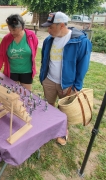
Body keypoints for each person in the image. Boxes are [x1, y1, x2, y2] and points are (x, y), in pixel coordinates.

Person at [39, 11, 92, 146]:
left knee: (65, 110)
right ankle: (50, 126)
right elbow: (44, 60)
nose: (48, 30)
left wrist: (76, 86)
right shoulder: (48, 40)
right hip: (49, 80)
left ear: (61, 25)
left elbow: (83, 65)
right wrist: (43, 77)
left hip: (68, 84)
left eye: (51, 27)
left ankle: (63, 131)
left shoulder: (80, 41)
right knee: (49, 106)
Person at [0, 14, 38, 91]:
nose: (11, 32)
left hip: (27, 72)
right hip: (12, 72)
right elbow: (0, 55)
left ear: (21, 27)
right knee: (13, 95)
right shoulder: (6, 39)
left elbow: (34, 50)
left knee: (26, 95)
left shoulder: (31, 36)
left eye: (14, 30)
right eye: (10, 30)